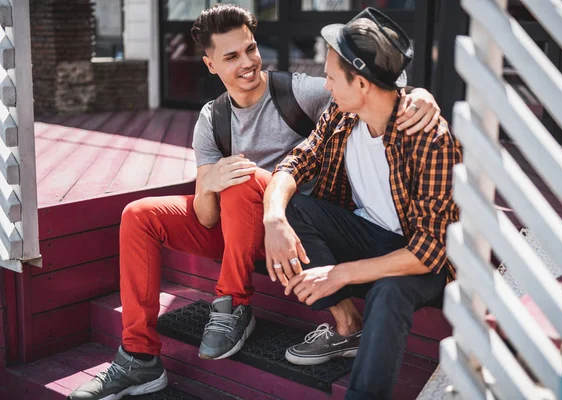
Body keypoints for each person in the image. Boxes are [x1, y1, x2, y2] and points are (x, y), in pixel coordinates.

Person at [68, 4, 442, 400]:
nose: (247, 62)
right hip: (241, 227)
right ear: (211, 65)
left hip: (295, 229)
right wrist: (207, 182)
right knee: (138, 215)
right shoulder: (212, 118)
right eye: (231, 56)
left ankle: (232, 305)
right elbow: (205, 217)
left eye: (250, 49)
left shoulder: (300, 92)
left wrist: (420, 95)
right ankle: (139, 357)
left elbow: (372, 87)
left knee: (241, 175)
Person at [262, 7, 462, 400]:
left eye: (333, 76)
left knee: (390, 292)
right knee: (294, 207)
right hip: (368, 235)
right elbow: (296, 162)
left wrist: (340, 274)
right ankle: (347, 326)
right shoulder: (340, 113)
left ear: (364, 84)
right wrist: (273, 219)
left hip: (420, 260)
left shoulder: (430, 138)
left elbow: (431, 250)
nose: (326, 84)